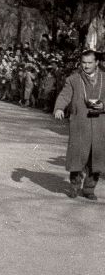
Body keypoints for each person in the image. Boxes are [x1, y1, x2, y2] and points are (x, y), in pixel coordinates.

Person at [53, 50, 105, 200]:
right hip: (80, 124)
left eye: (90, 63)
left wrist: (101, 106)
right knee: (77, 156)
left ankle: (89, 189)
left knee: (95, 157)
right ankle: (74, 187)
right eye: (84, 63)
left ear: (97, 63)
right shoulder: (73, 79)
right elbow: (64, 95)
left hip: (100, 125)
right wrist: (59, 108)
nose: (86, 66)